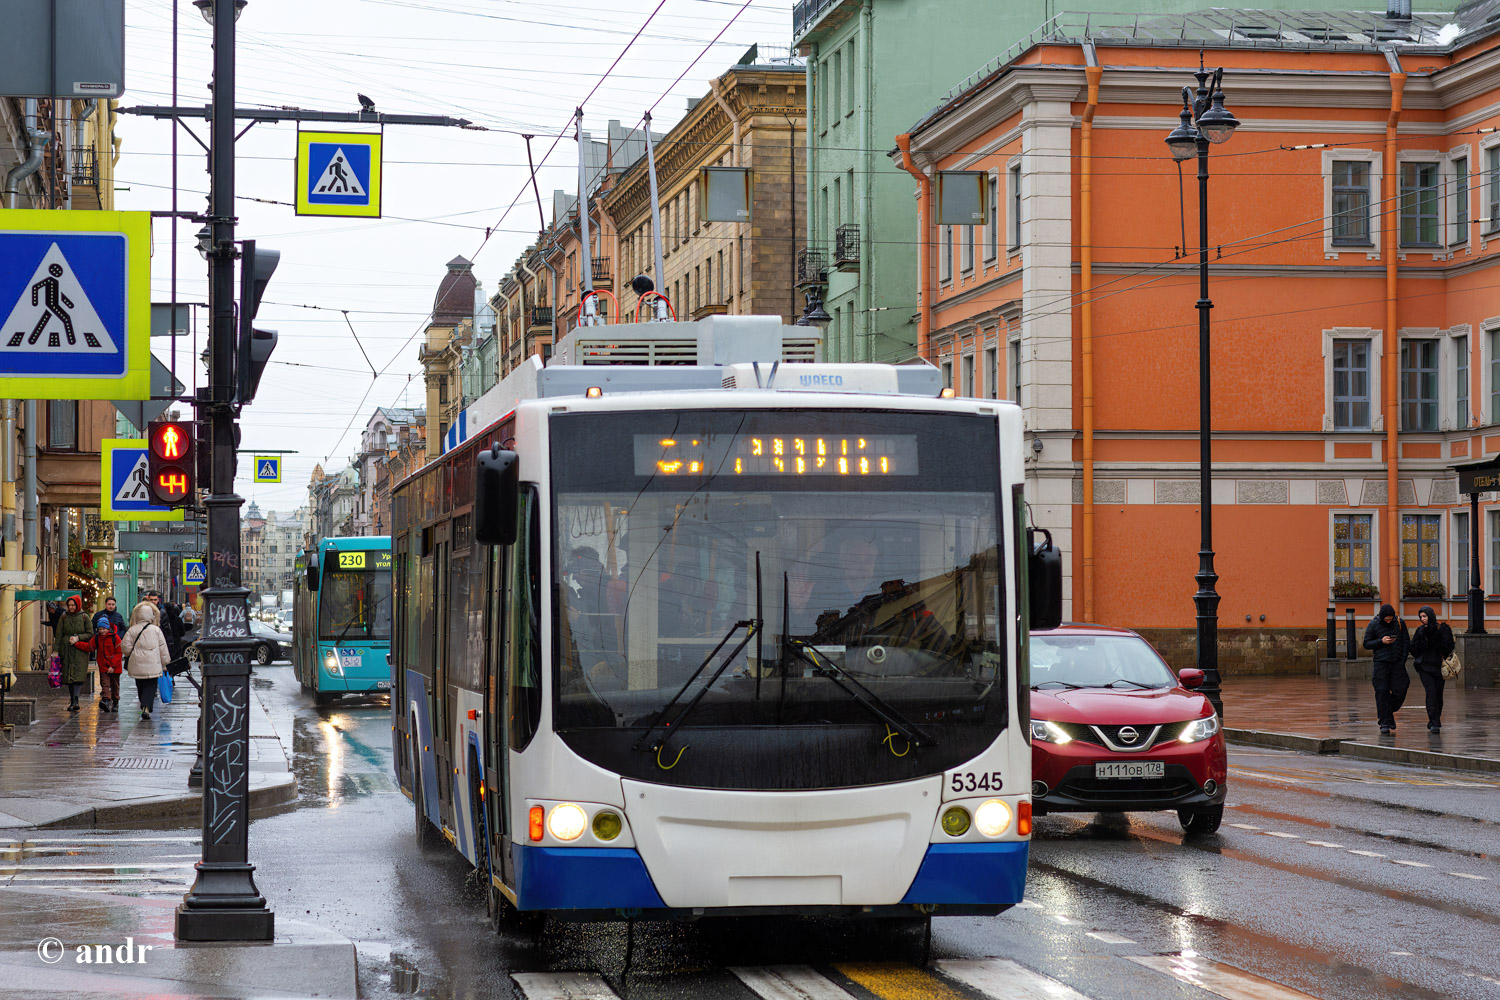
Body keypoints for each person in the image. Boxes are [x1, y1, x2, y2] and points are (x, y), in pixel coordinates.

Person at [1363, 603, 1411, 735]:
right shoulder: (1374, 624)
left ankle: (1388, 712)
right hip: (1381, 663)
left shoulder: (1400, 623)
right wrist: (1381, 641)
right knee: (1381, 691)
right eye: (1386, 619)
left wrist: (1402, 659)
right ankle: (1384, 722)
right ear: (1382, 617)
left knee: (1401, 688)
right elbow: (1366, 643)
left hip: (1397, 663)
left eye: (1390, 618)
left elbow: (1406, 642)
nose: (1388, 620)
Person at [121, 600, 172, 720]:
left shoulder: (132, 630)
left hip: (136, 663)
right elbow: (163, 648)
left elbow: (125, 647)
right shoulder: (156, 630)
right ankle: (147, 707)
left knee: (140, 685)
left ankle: (143, 704)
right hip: (153, 664)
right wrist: (166, 662)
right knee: (151, 685)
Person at [1408, 605, 1454, 733]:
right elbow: (1413, 648)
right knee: (1431, 692)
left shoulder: (1442, 629)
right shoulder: (1420, 630)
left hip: (1439, 667)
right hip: (1424, 667)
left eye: (1425, 616)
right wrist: (1423, 641)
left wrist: (1436, 638)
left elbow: (1448, 646)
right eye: (1421, 617)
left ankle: (1435, 718)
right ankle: (1434, 722)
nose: (1423, 619)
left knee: (1438, 694)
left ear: (1431, 616)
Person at [75, 617, 123, 713]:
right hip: (103, 666)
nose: (102, 631)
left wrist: (112, 666)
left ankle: (115, 702)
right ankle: (105, 701)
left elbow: (119, 653)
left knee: (115, 685)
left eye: (104, 629)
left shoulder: (115, 637)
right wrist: (76, 643)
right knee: (105, 684)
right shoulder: (97, 638)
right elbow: (89, 647)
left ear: (108, 628)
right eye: (100, 629)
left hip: (115, 667)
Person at [54, 596, 92, 712]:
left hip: (80, 650)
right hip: (66, 649)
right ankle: (73, 700)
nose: (71, 607)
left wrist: (78, 638)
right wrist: (56, 650)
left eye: (73, 605)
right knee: (68, 676)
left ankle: (75, 700)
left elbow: (90, 633)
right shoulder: (64, 617)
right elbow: (59, 634)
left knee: (78, 674)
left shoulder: (85, 617)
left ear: (78, 605)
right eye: (69, 605)